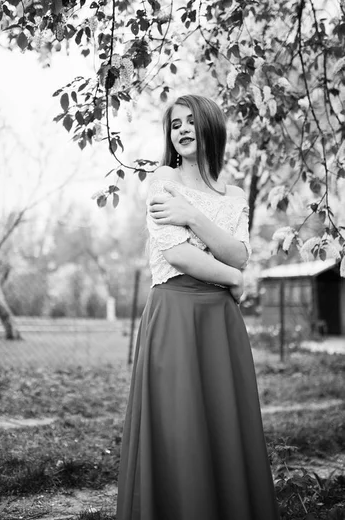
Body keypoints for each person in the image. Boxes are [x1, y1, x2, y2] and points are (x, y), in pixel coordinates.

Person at [116, 94, 279, 520]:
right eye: (175, 125)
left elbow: (239, 253)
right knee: (179, 425)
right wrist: (233, 279)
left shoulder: (235, 194)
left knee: (224, 425)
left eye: (191, 121)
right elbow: (180, 256)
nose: (183, 130)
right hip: (175, 313)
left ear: (210, 127)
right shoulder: (162, 181)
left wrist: (191, 215)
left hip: (220, 322)